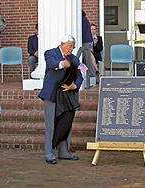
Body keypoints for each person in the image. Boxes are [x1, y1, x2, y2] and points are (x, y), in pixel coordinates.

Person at [38, 35, 83, 165]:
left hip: (67, 95)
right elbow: (52, 64)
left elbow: (80, 74)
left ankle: (64, 152)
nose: (71, 49)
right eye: (70, 46)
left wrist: (74, 85)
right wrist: (63, 63)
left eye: (73, 47)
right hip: (52, 94)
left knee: (66, 124)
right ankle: (49, 154)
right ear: (62, 44)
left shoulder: (74, 58)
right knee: (51, 125)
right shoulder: (50, 53)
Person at [76, 10, 94, 89]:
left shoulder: (82, 20)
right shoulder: (85, 19)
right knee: (87, 61)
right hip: (88, 42)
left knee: (76, 59)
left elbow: (81, 32)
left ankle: (88, 77)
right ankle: (91, 79)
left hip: (84, 43)